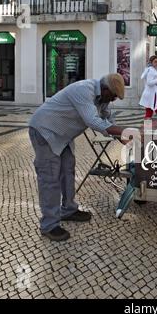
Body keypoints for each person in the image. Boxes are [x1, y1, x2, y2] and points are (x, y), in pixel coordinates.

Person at [28, 74, 126, 241]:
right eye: (114, 95)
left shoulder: (103, 99)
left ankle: (68, 209)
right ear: (105, 89)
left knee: (68, 171)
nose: (114, 99)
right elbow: (93, 121)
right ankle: (49, 225)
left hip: (63, 136)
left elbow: (107, 118)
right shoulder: (84, 90)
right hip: (45, 130)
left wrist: (121, 134)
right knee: (50, 178)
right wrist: (123, 131)